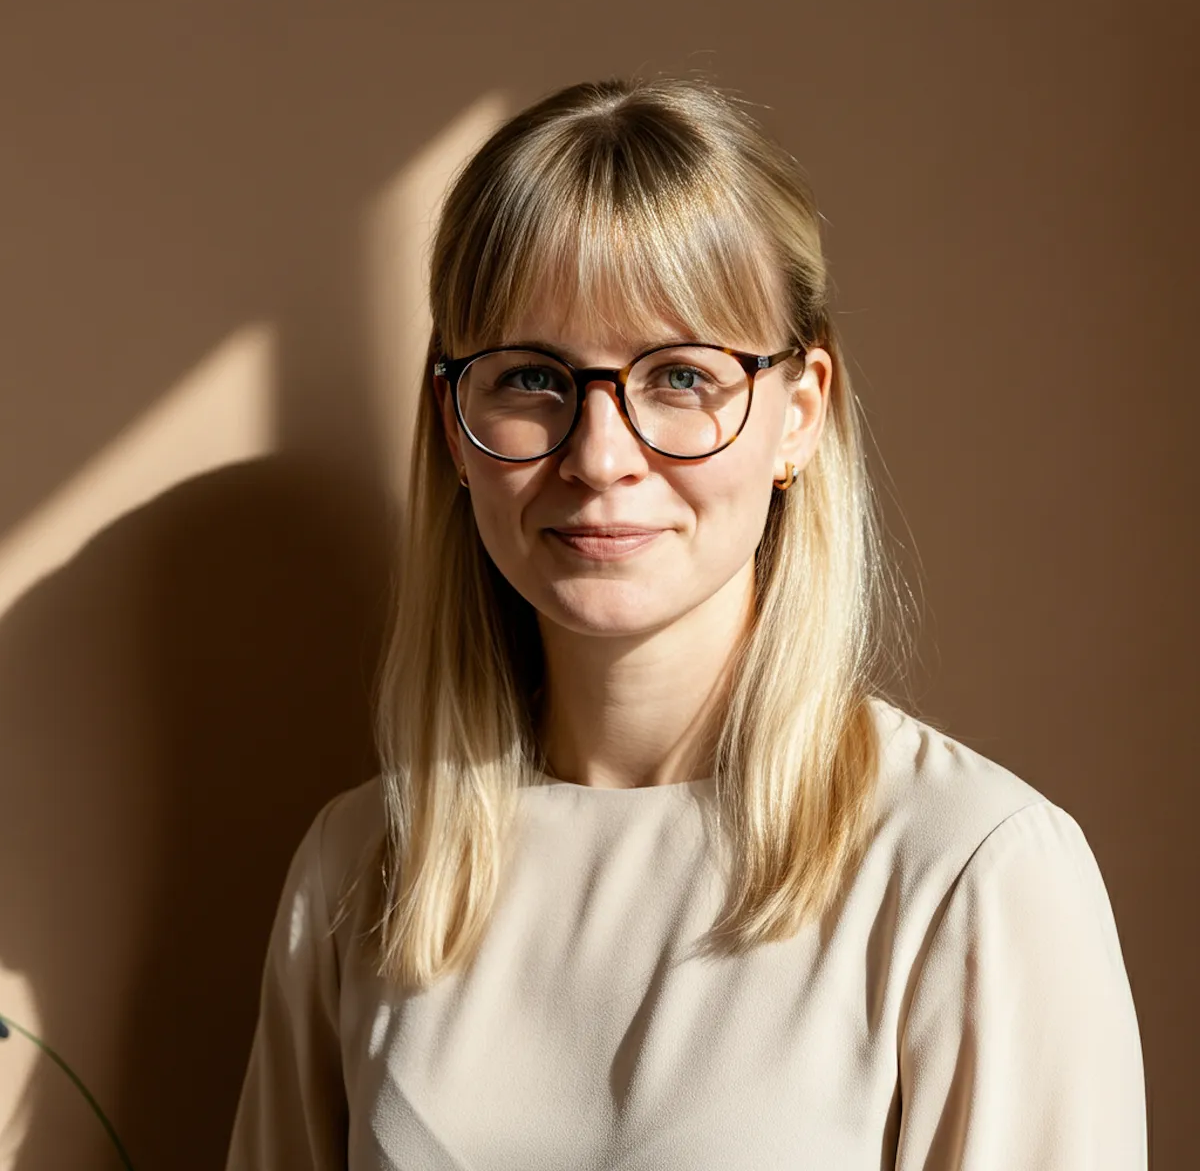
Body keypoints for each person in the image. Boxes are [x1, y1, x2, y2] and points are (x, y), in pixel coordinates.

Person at [224, 78, 1146, 1169]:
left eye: (678, 377)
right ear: (454, 423)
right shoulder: (359, 867)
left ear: (799, 414)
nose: (599, 456)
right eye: (532, 377)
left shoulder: (971, 871)